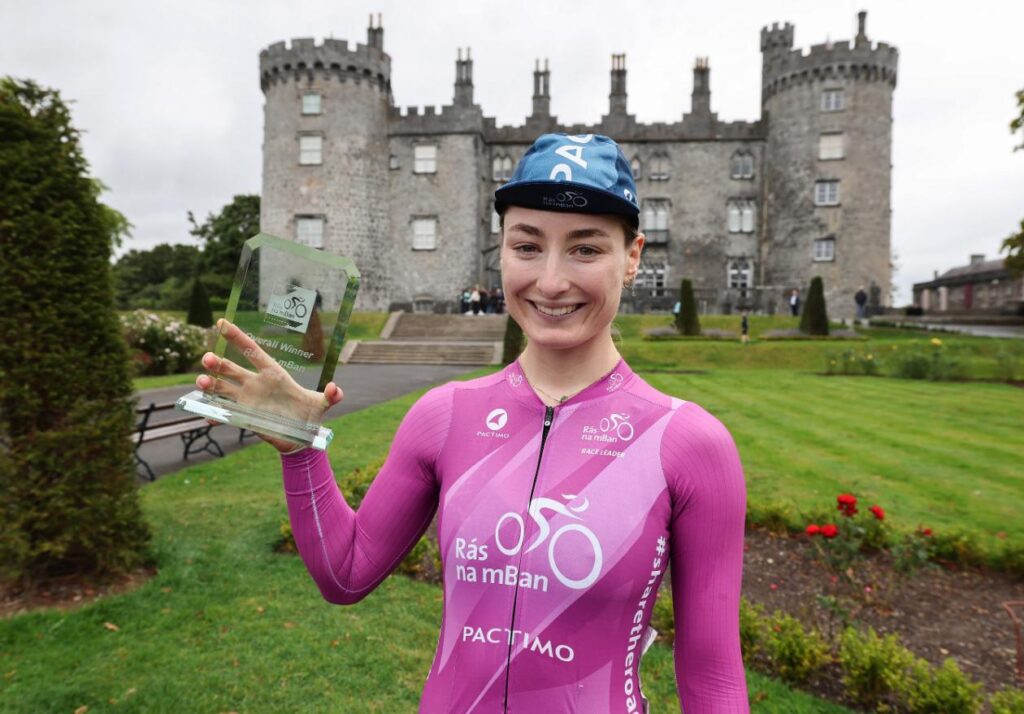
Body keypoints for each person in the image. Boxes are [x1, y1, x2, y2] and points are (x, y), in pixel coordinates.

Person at [197, 133, 749, 712]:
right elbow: (346, 575)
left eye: (585, 249)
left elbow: (712, 678)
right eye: (527, 246)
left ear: (632, 256)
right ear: (502, 249)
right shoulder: (444, 416)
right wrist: (299, 448)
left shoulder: (688, 445)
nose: (552, 280)